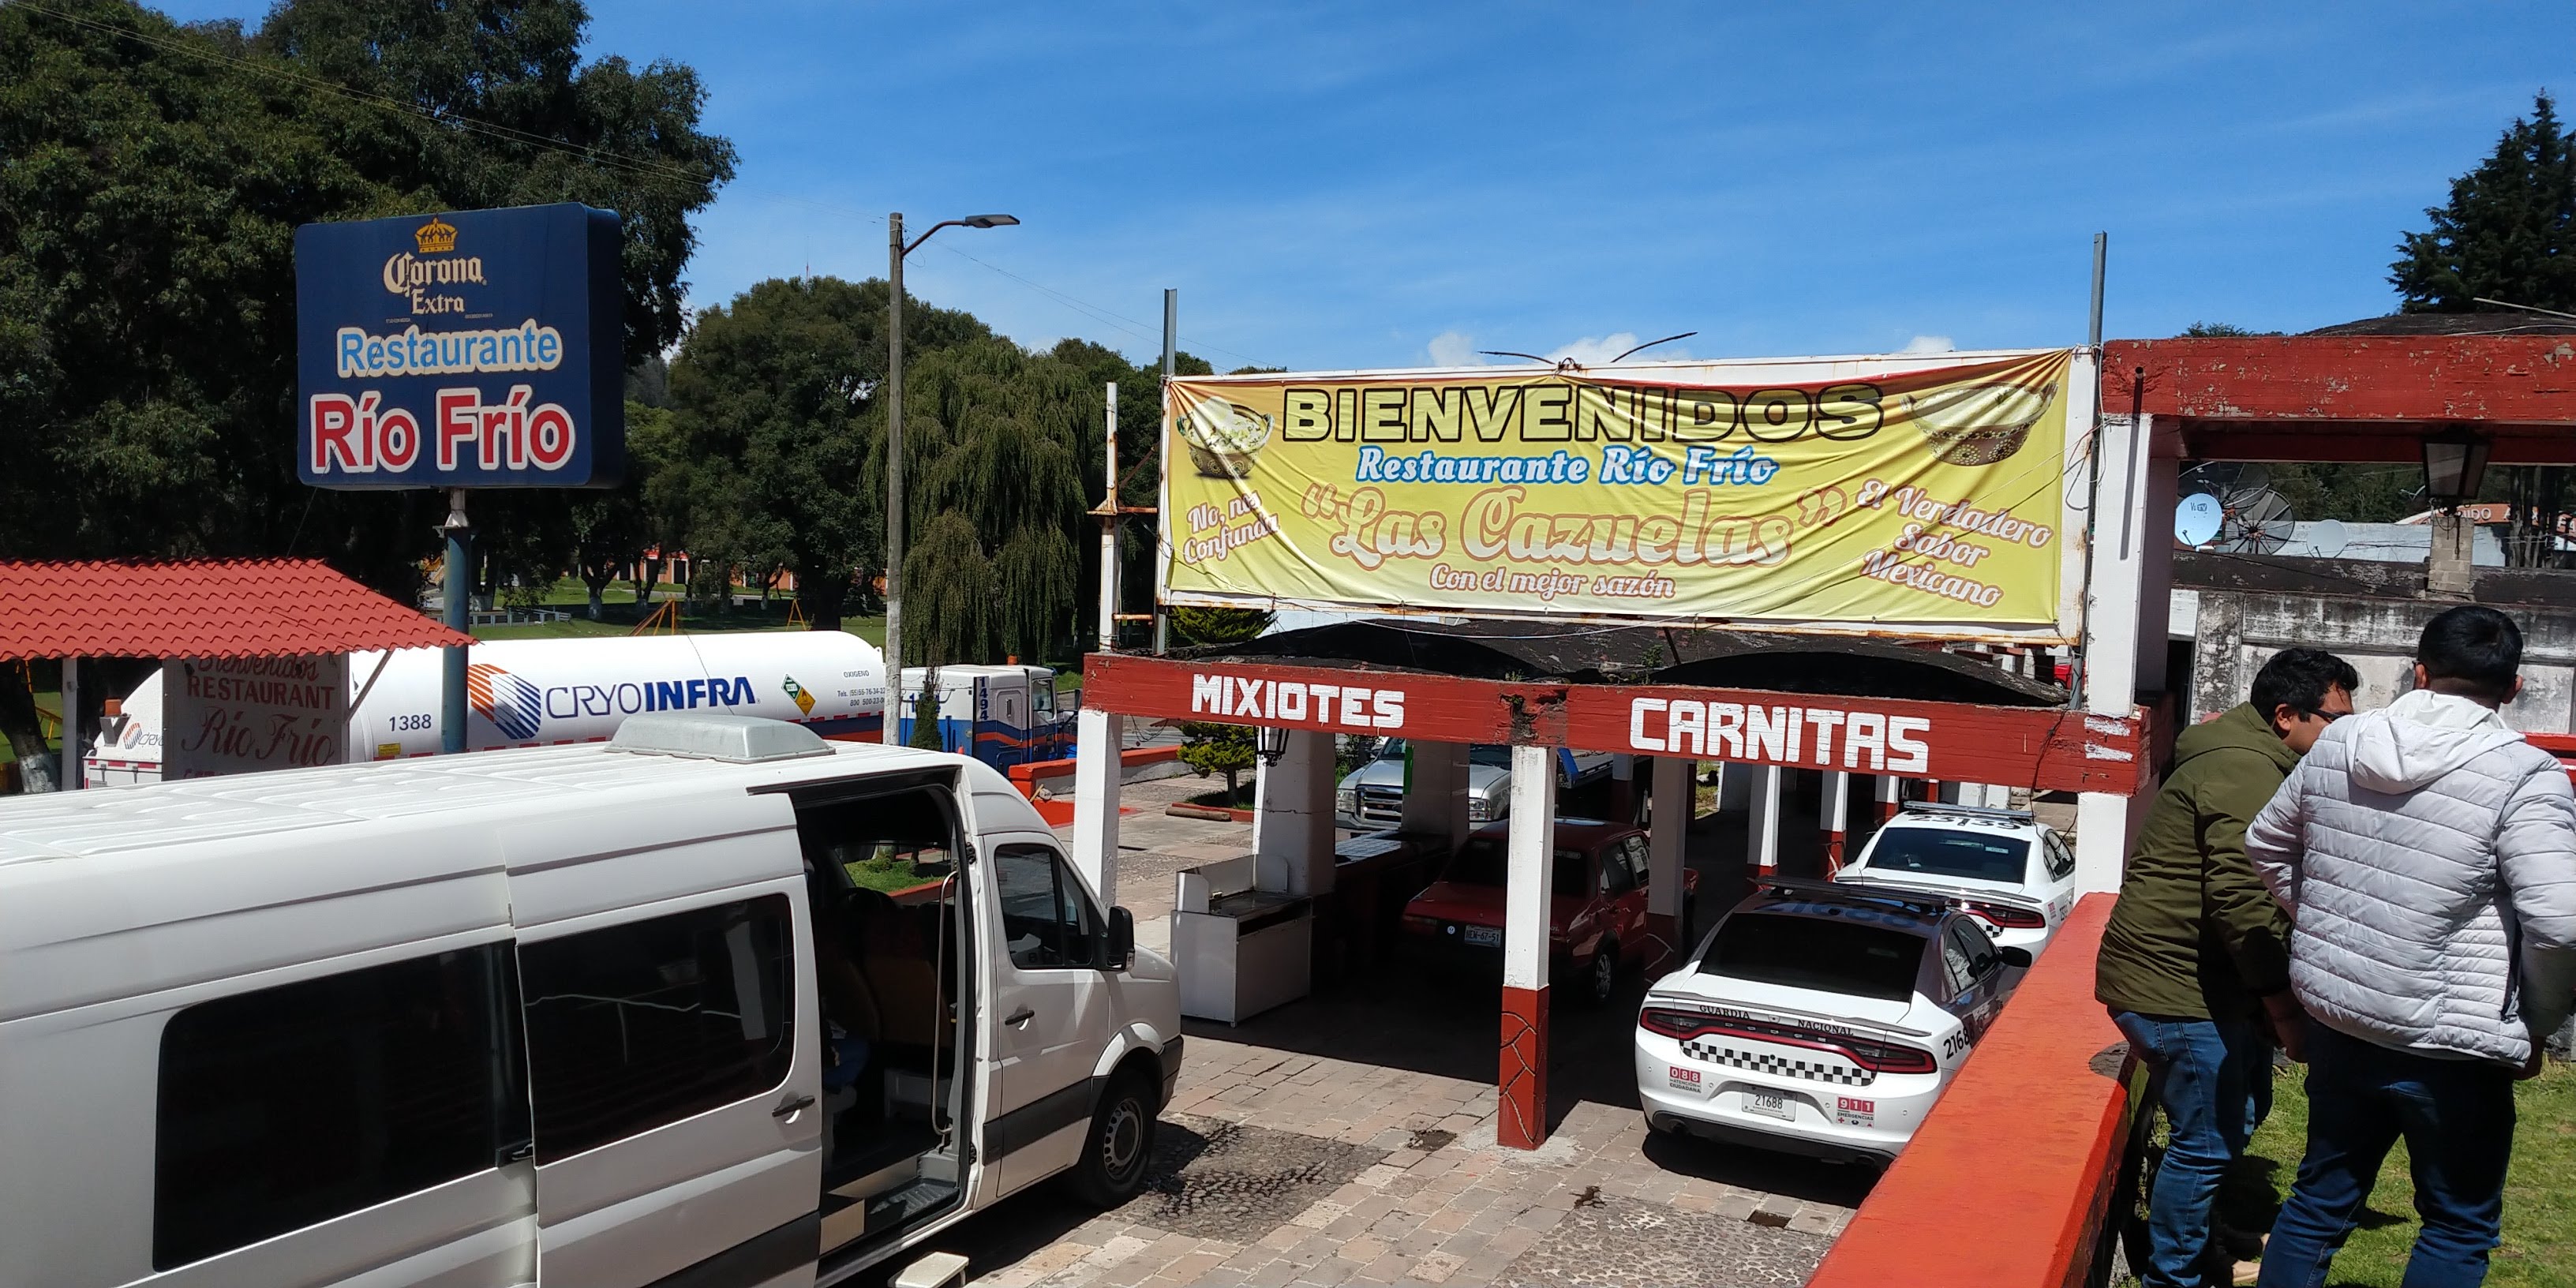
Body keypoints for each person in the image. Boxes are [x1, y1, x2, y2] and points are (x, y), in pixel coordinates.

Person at [2248, 607, 2576, 1288]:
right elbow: (2560, 923)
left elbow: (2267, 844)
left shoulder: (2340, 742)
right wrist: (2537, 1024)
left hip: (2344, 1016)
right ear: (2513, 688)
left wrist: (2329, 933)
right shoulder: (2528, 775)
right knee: (2457, 1225)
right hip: (2451, 1045)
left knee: (2317, 1203)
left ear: (2418, 673)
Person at [2098, 646, 2359, 1288]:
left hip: (2202, 982)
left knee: (2236, 1116)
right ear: (2285, 716)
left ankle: (2196, 1237)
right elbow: (2242, 903)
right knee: (2208, 1140)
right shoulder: (2247, 772)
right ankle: (2176, 1276)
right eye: (2336, 720)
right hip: (2174, 986)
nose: (2345, 735)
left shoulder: (2254, 758)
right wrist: (2283, 1009)